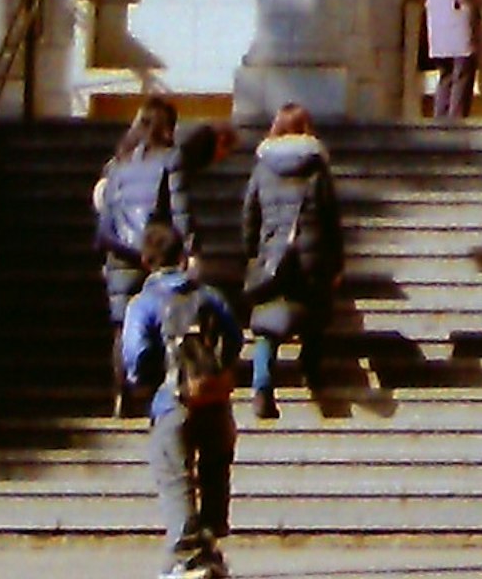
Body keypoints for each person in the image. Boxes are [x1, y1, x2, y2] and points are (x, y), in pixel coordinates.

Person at [116, 215, 243, 578]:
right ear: (183, 254)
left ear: (146, 261)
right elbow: (234, 337)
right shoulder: (208, 295)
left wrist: (143, 384)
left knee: (174, 474)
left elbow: (137, 355)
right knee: (215, 469)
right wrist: (215, 369)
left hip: (172, 401)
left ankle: (188, 557)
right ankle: (211, 543)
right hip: (214, 399)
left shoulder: (144, 303)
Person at [237, 100, 345, 413]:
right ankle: (311, 370)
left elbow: (250, 214)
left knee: (266, 322)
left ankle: (262, 385)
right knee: (314, 312)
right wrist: (336, 262)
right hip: (311, 255)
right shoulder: (317, 167)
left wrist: (252, 255)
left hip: (272, 254)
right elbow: (330, 217)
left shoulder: (262, 166)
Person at [92, 97, 194, 405]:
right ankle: (157, 387)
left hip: (118, 251)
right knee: (162, 318)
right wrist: (189, 247)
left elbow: (107, 209)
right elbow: (180, 209)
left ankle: (121, 388)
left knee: (122, 323)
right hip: (157, 249)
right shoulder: (169, 159)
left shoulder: (118, 163)